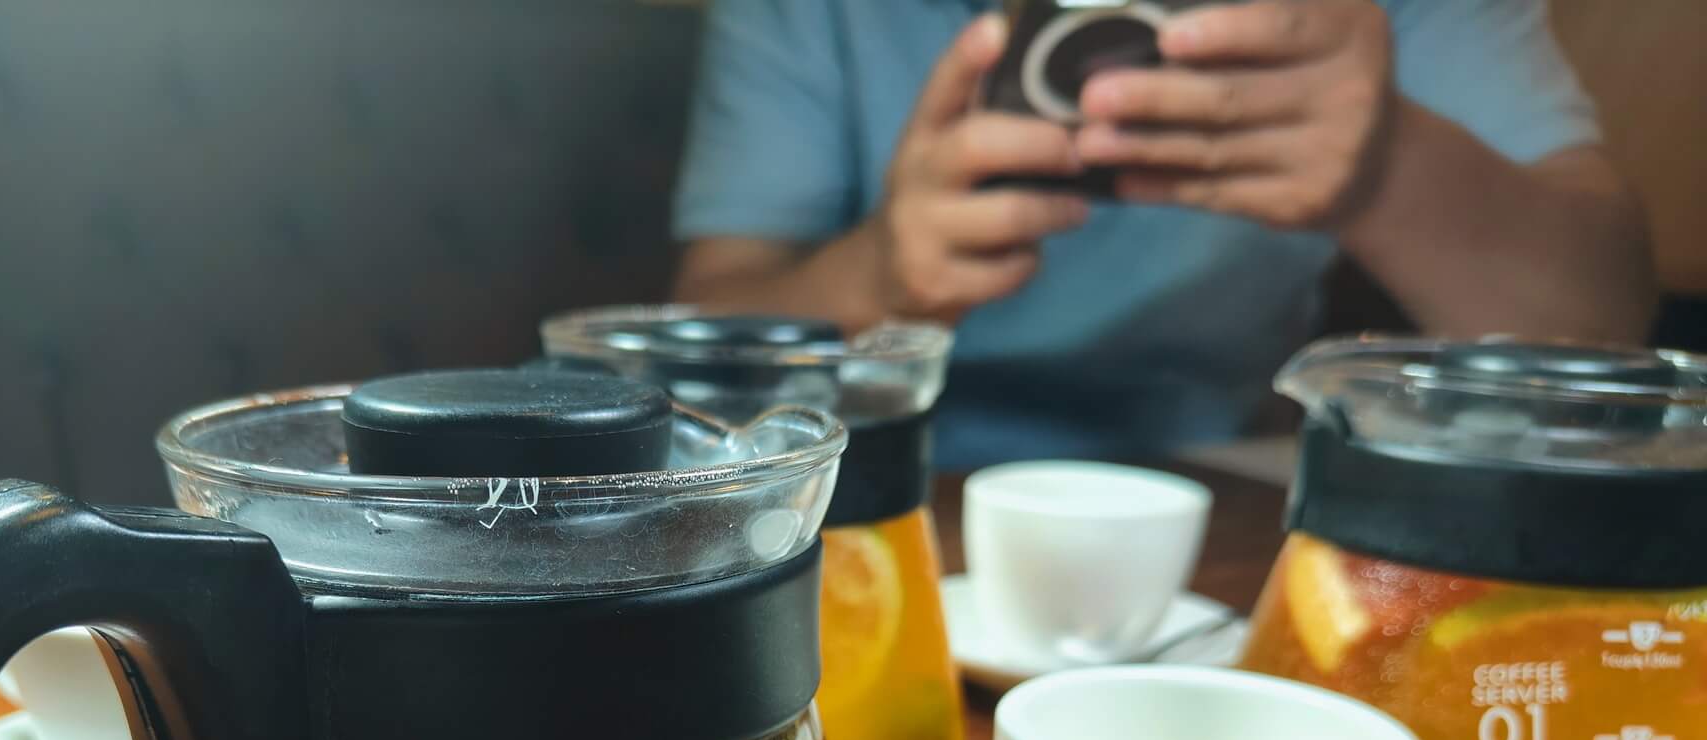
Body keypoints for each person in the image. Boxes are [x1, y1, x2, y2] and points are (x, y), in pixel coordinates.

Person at [672, 0, 1656, 467]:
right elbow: (693, 334)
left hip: (1221, 485)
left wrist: (1388, 167)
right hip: (866, 492)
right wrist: (877, 273)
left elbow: (1598, 332)